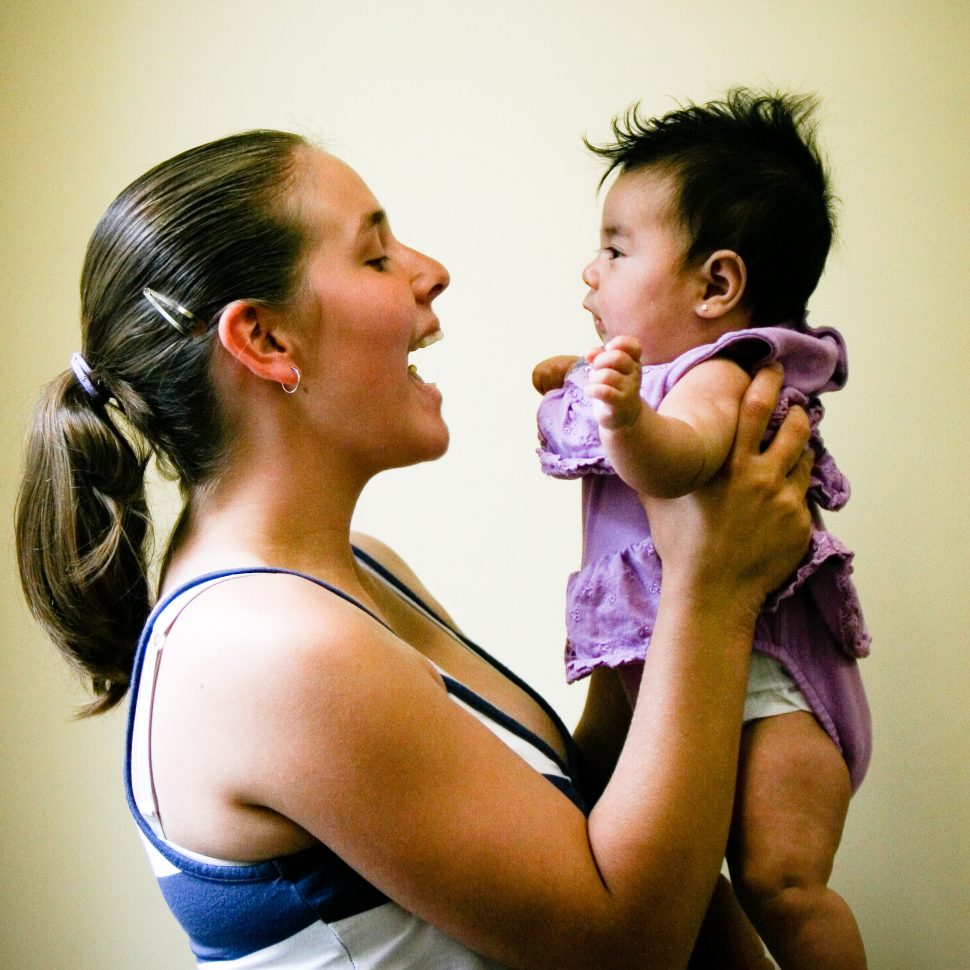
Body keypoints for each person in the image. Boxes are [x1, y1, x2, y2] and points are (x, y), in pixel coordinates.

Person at [17, 128, 814, 970]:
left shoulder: (361, 569)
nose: (430, 269)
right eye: (374, 254)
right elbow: (625, 947)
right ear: (265, 342)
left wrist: (649, 547)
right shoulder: (271, 650)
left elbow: (581, 826)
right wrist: (714, 586)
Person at [534, 90, 871, 968]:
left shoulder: (728, 373)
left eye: (615, 249)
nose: (589, 273)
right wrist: (588, 382)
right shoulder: (664, 375)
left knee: (783, 883)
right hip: (659, 673)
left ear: (718, 284)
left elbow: (678, 459)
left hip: (767, 693)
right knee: (591, 813)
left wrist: (620, 421)